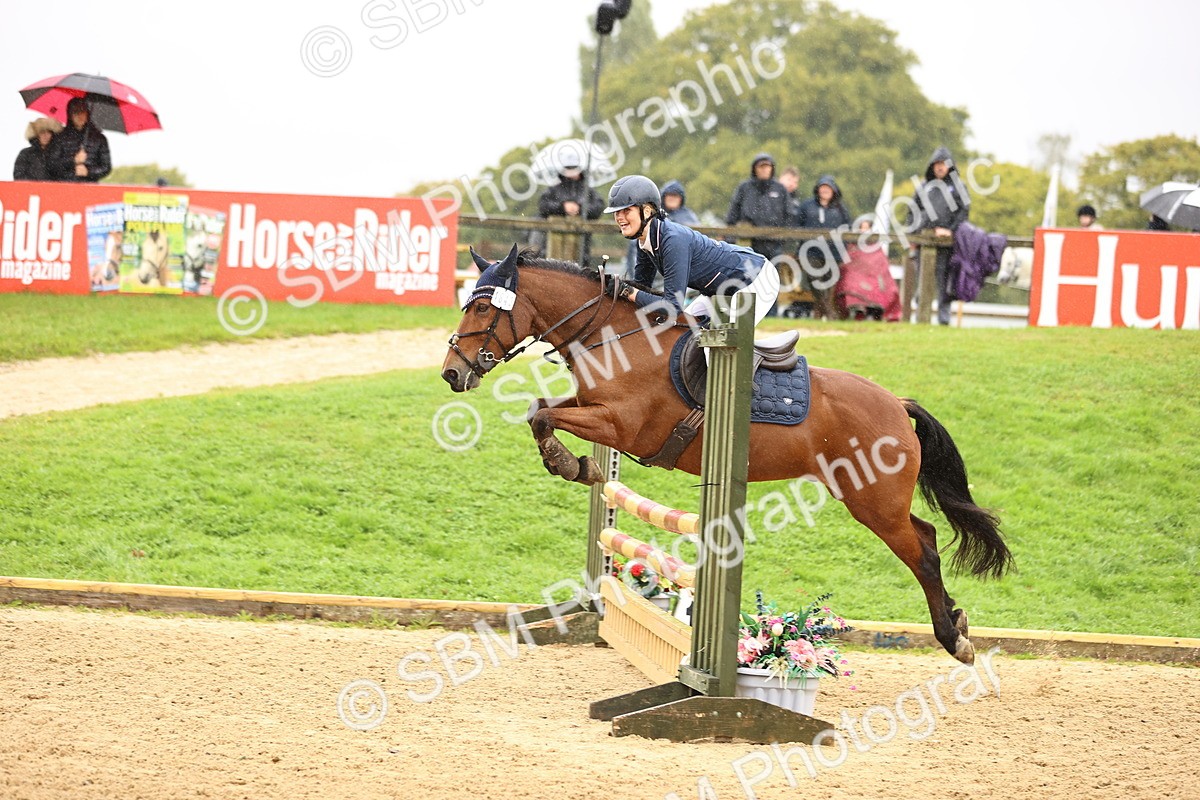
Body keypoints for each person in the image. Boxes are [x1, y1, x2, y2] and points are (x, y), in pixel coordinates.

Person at [607, 174, 779, 329]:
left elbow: (672, 307)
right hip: (717, 290)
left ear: (646, 211)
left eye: (626, 210)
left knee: (724, 344)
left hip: (756, 278)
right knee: (683, 334)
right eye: (616, 212)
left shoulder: (672, 240)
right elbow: (642, 288)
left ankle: (789, 364)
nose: (619, 217)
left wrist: (626, 290)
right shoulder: (644, 240)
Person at [908, 146, 970, 325]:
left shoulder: (959, 187)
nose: (940, 167)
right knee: (922, 280)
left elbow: (963, 212)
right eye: (936, 164)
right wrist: (913, 235)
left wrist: (950, 230)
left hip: (946, 243)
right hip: (923, 241)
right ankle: (920, 317)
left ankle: (943, 320)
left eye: (943, 164)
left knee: (944, 282)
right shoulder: (924, 186)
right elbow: (912, 211)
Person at [725, 153, 790, 316]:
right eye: (761, 166)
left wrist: (783, 236)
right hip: (749, 243)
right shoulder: (745, 188)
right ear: (755, 169)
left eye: (767, 166)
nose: (764, 170)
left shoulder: (780, 189)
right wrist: (730, 237)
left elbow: (790, 215)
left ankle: (772, 314)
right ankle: (750, 313)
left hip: (774, 243)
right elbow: (732, 215)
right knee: (750, 279)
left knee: (772, 280)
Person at [795, 175, 853, 319]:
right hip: (810, 251)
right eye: (822, 188)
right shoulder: (807, 206)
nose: (825, 191)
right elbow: (796, 226)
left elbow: (847, 230)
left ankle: (819, 314)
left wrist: (843, 251)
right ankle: (828, 312)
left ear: (834, 191)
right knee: (816, 281)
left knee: (829, 284)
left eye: (828, 188)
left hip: (833, 253)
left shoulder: (840, 209)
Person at [535, 149, 604, 263]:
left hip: (582, 245)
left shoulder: (588, 191)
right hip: (552, 244)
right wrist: (562, 208)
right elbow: (543, 206)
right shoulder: (553, 190)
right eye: (568, 167)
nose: (571, 171)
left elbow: (598, 208)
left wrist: (580, 209)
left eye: (573, 167)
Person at [626, 179, 699, 285]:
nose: (672, 198)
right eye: (669, 195)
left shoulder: (689, 217)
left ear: (681, 198)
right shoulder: (653, 215)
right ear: (663, 197)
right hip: (655, 264)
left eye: (675, 195)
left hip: (678, 265)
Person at [48, 97, 111, 183]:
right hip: (65, 187)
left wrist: (88, 172)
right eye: (75, 112)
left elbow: (106, 167)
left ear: (87, 113)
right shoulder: (60, 138)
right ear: (70, 115)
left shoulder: (100, 139)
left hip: (90, 188)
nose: (79, 115)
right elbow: (52, 166)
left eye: (82, 111)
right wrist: (72, 161)